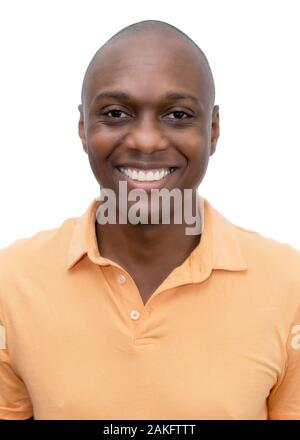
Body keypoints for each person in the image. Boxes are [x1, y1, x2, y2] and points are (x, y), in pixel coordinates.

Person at [0, 19, 300, 420]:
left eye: (177, 114)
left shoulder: (288, 286)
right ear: (82, 128)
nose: (145, 140)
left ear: (213, 130)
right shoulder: (12, 283)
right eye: (116, 113)